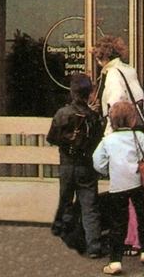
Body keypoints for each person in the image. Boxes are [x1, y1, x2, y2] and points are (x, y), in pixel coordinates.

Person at [91, 35, 144, 256]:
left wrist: (109, 136)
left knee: (122, 193)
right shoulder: (129, 70)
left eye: (98, 56)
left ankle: (129, 240)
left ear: (103, 56)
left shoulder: (113, 75)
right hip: (133, 133)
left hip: (118, 135)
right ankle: (137, 239)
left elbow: (115, 105)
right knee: (135, 190)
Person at [92, 101, 144, 275]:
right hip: (137, 183)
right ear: (132, 120)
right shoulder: (139, 136)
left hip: (117, 185)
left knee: (118, 223)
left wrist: (108, 170)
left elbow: (97, 162)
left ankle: (115, 261)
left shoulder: (108, 140)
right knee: (143, 217)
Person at [47, 73, 104, 258]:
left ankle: (66, 238)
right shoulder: (93, 116)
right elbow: (97, 141)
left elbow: (52, 138)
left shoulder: (62, 113)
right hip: (86, 166)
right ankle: (94, 246)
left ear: (72, 92)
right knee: (90, 206)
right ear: (89, 93)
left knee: (65, 201)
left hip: (66, 164)